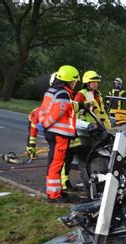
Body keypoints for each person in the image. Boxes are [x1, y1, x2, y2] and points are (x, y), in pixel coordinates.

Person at [38, 65, 79, 203]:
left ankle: (56, 191)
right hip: (59, 134)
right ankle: (54, 195)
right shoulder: (63, 94)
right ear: (68, 80)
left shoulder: (51, 91)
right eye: (74, 81)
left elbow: (43, 110)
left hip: (53, 133)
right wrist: (46, 124)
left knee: (54, 163)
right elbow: (57, 114)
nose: (75, 84)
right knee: (56, 164)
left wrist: (44, 124)